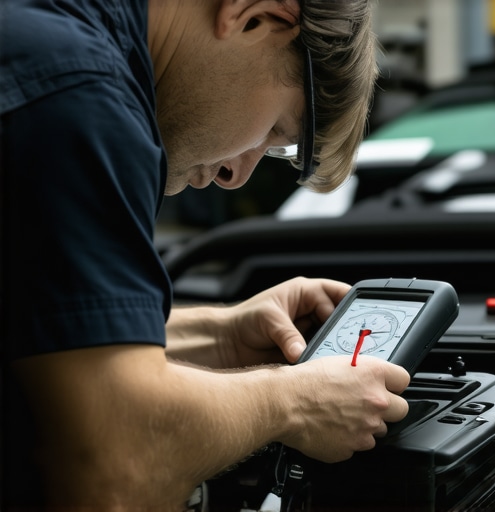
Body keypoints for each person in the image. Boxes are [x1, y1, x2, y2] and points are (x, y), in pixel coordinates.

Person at [1, 0, 410, 510]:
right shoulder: (79, 93)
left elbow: (41, 332)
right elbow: (115, 467)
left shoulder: (42, 34)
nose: (235, 174)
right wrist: (294, 402)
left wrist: (219, 335)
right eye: (278, 133)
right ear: (255, 15)